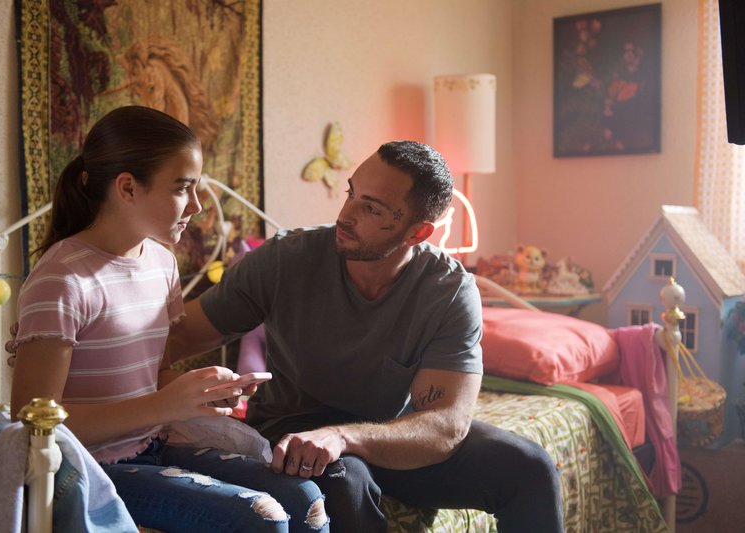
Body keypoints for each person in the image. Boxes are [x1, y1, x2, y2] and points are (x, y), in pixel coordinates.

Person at [167, 140, 564, 532]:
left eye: (371, 208)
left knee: (530, 467)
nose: (345, 215)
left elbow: (445, 426)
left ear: (418, 232)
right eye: (351, 194)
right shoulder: (285, 260)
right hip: (295, 433)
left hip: (395, 436)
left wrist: (344, 436)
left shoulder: (448, 291)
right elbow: (179, 337)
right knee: (346, 484)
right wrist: (156, 398)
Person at [9, 105, 328, 533]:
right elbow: (31, 425)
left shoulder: (161, 262)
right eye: (183, 188)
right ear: (127, 187)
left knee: (306, 498)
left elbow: (152, 376)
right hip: (87, 467)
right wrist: (163, 405)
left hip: (154, 444)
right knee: (262, 516)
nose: (197, 205)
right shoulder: (63, 280)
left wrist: (205, 393)